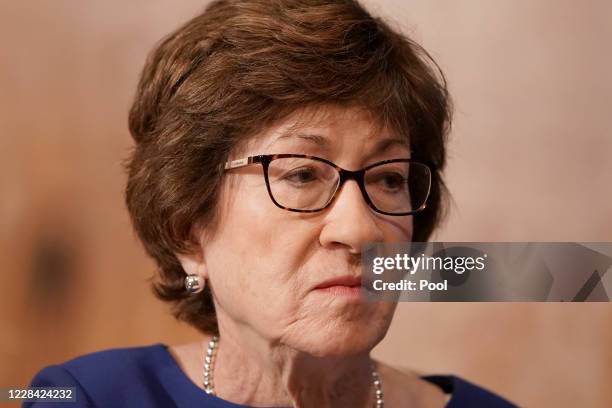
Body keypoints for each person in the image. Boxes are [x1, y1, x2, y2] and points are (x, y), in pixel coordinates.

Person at [27, 0, 516, 406]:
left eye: (389, 179)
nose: (360, 229)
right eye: (302, 173)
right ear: (188, 229)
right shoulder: (87, 398)